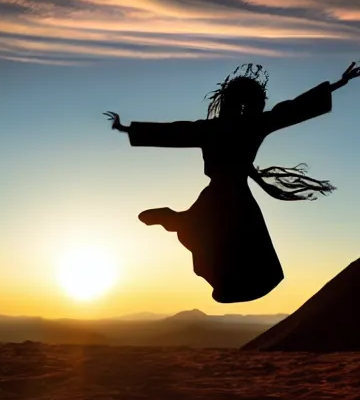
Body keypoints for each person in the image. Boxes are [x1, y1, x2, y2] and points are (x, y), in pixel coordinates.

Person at [105, 61, 359, 304]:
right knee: (237, 244)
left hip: (219, 195)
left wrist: (126, 128)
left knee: (230, 243)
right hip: (234, 195)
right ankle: (180, 223)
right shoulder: (252, 125)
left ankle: (186, 229)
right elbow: (292, 109)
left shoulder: (217, 128)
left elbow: (174, 131)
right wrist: (338, 84)